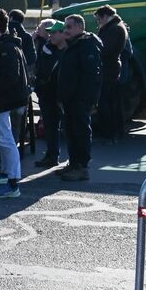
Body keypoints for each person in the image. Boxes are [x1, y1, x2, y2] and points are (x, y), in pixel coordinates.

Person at [0, 8, 31, 199]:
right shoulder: (4, 45)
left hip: (3, 99)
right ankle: (5, 175)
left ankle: (12, 183)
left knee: (5, 139)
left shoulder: (6, 47)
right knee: (3, 136)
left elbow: (11, 76)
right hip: (2, 97)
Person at [56, 14, 103, 181]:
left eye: (69, 27)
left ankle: (82, 167)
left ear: (79, 28)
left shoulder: (87, 46)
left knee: (80, 132)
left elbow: (91, 76)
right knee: (71, 132)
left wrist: (85, 99)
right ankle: (73, 163)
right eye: (64, 27)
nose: (65, 31)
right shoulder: (73, 45)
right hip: (70, 99)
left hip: (79, 99)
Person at [33, 20, 68, 168]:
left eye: (54, 32)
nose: (50, 35)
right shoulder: (47, 49)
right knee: (50, 127)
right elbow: (40, 70)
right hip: (47, 96)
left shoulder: (70, 51)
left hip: (64, 97)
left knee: (70, 129)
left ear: (63, 34)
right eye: (49, 32)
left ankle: (73, 162)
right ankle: (52, 155)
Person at [94, 5, 131, 142]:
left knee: (107, 102)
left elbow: (106, 49)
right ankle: (114, 131)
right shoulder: (116, 26)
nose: (98, 22)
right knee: (112, 102)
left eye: (98, 19)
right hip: (112, 68)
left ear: (105, 16)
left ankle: (110, 132)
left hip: (109, 69)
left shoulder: (114, 29)